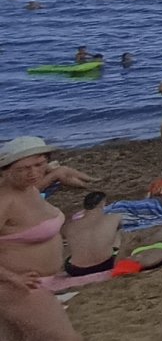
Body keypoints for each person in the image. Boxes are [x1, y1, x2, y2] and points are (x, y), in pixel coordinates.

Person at [0, 137, 83, 341]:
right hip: (17, 286)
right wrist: (14, 278)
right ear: (5, 170)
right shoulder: (4, 201)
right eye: (24, 168)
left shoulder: (32, 189)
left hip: (36, 283)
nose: (34, 173)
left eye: (40, 164)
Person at [60, 192, 121, 279]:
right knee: (118, 232)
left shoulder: (69, 226)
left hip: (76, 270)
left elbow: (62, 236)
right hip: (107, 264)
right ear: (102, 204)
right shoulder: (114, 217)